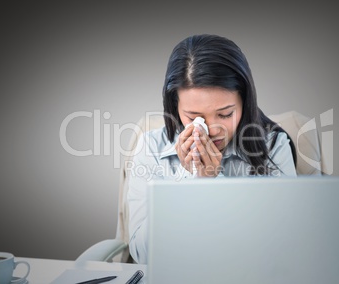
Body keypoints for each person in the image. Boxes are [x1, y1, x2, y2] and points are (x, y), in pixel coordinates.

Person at [127, 34, 297, 264]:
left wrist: (214, 183)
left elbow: (284, 246)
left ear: (245, 102)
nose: (213, 130)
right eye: (194, 117)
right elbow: (143, 255)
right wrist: (189, 178)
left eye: (225, 114)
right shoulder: (150, 148)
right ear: (175, 107)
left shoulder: (273, 147)